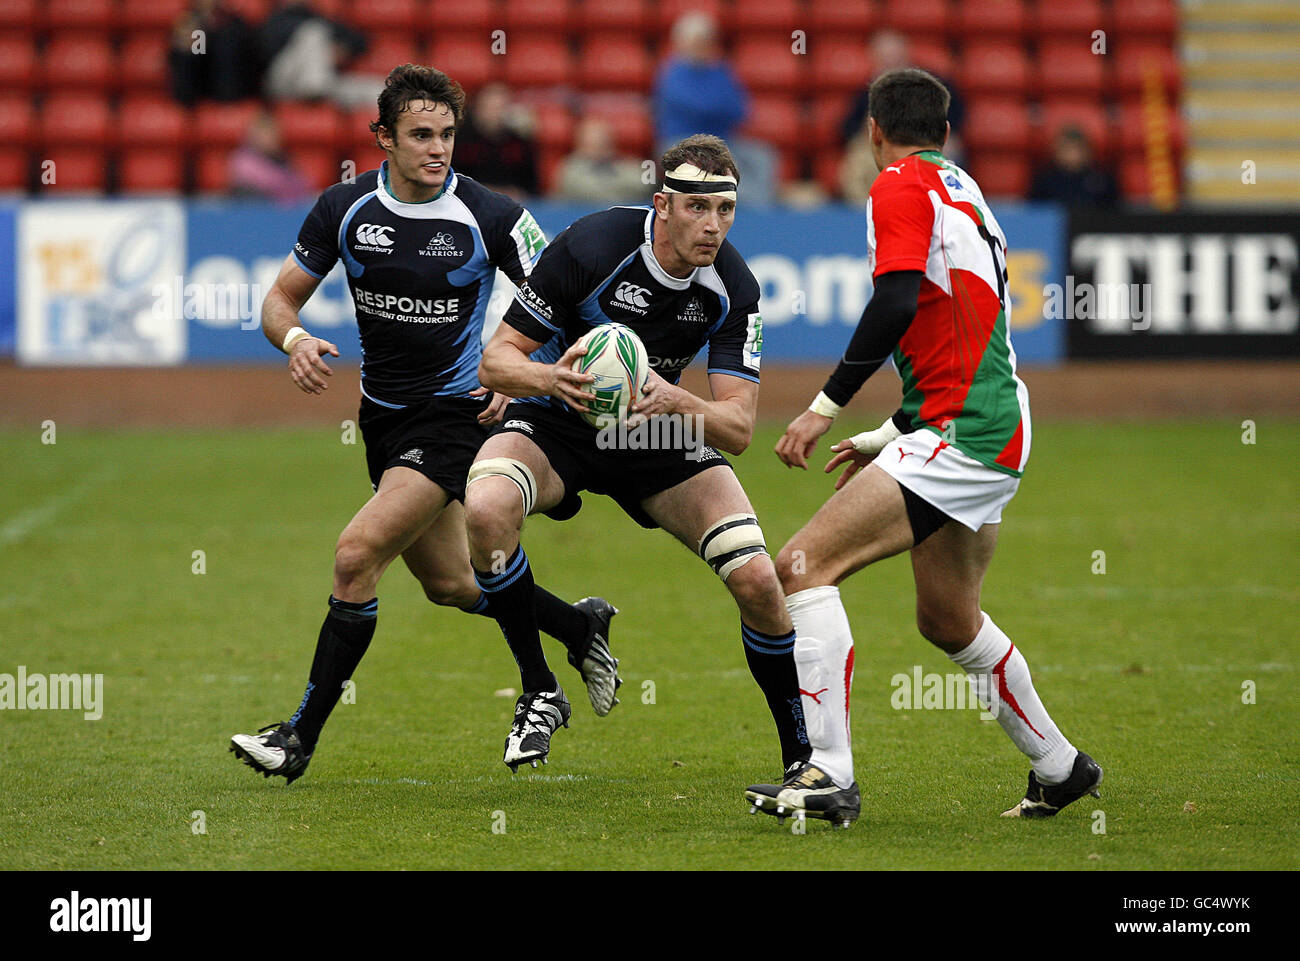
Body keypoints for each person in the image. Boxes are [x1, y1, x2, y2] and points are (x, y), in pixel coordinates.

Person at [229, 65, 620, 785]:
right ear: (383, 138)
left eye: (446, 134)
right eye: (419, 135)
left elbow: (561, 295)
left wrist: (518, 375)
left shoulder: (490, 213)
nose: (437, 148)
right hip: (382, 419)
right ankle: (577, 625)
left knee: (355, 556)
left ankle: (297, 737)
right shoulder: (342, 209)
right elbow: (278, 302)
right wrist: (296, 339)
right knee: (449, 583)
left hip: (455, 417)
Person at [751, 69, 1102, 827]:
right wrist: (889, 431)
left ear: (873, 131)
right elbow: (956, 329)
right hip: (986, 419)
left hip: (964, 432)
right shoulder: (966, 189)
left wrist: (823, 408)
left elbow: (898, 300)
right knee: (948, 616)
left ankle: (828, 772)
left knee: (801, 567)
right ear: (946, 131)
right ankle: (1060, 765)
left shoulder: (897, 186)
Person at [463, 134, 811, 780]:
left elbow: (736, 427)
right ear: (662, 204)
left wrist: (675, 399)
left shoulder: (734, 285)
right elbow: (497, 360)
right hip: (559, 418)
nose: (713, 226)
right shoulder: (590, 247)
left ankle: (803, 763)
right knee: (485, 508)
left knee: (760, 581)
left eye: (726, 210)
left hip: (654, 433)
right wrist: (554, 381)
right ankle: (539, 687)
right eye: (697, 209)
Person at [652, 12, 776, 205]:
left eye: (706, 40)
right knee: (724, 164)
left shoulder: (720, 70)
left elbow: (739, 109)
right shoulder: (672, 74)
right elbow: (696, 107)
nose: (703, 45)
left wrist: (712, 108)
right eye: (697, 40)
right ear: (682, 42)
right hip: (682, 143)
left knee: (762, 155)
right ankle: (737, 206)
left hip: (724, 140)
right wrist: (716, 107)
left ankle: (761, 210)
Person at [449, 82, 539, 202]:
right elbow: (452, 181)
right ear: (477, 108)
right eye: (489, 107)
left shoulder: (520, 144)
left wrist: (517, 193)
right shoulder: (460, 142)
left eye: (500, 107)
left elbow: (532, 187)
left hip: (512, 206)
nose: (494, 113)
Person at [167, 0, 259, 105]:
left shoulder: (234, 26)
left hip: (234, 98)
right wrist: (186, 53)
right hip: (199, 101)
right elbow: (186, 88)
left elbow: (249, 68)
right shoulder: (191, 28)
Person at [554, 116, 650, 205]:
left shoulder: (632, 166)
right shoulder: (570, 168)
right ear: (580, 145)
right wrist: (620, 190)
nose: (598, 149)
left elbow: (644, 187)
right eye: (592, 145)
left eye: (603, 143)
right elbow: (582, 190)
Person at [228, 109, 312, 205]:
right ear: (253, 136)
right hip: (255, 209)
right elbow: (268, 184)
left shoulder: (285, 160)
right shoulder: (242, 160)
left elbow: (302, 187)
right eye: (264, 134)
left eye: (272, 134)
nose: (269, 139)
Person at [1029, 126, 1119, 207]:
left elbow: (1114, 213)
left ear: (1087, 152)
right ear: (1056, 152)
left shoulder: (1102, 180)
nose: (1072, 155)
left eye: (1076, 149)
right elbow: (1035, 213)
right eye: (1067, 150)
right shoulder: (1045, 180)